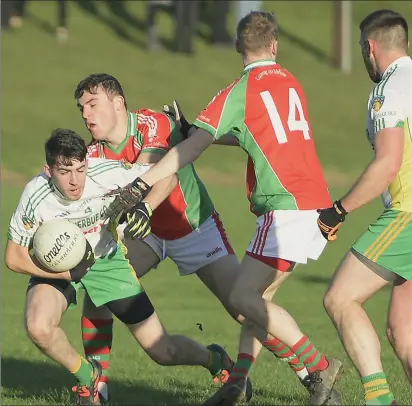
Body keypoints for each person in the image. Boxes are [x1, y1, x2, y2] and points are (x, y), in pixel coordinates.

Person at [106, 11, 344, 406]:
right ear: (275, 45)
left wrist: (144, 181)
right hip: (314, 203)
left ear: (238, 47)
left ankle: (317, 368)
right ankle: (243, 381)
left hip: (285, 208)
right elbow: (259, 135)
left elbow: (190, 150)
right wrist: (202, 133)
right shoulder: (291, 82)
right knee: (255, 301)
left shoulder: (240, 90)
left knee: (241, 297)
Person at [74, 73, 322, 403]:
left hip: (195, 227)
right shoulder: (93, 154)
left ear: (118, 103)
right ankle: (98, 385)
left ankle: (310, 374)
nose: (87, 115)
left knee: (244, 307)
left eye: (93, 105)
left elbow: (158, 171)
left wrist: (142, 207)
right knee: (98, 289)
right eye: (82, 109)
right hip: (147, 234)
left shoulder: (152, 124)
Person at [4, 129, 235, 406]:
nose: (75, 180)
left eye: (80, 168)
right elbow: (14, 257)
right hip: (57, 267)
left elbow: (167, 177)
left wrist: (145, 207)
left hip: (106, 262)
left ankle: (215, 358)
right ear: (48, 169)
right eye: (65, 172)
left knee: (163, 351)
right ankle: (88, 375)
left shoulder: (107, 173)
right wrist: (66, 273)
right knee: (38, 327)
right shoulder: (35, 194)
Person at [317, 9, 412, 406]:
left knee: (340, 299)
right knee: (405, 330)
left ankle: (379, 400)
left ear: (370, 47)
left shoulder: (390, 88)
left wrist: (338, 209)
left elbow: (387, 163)